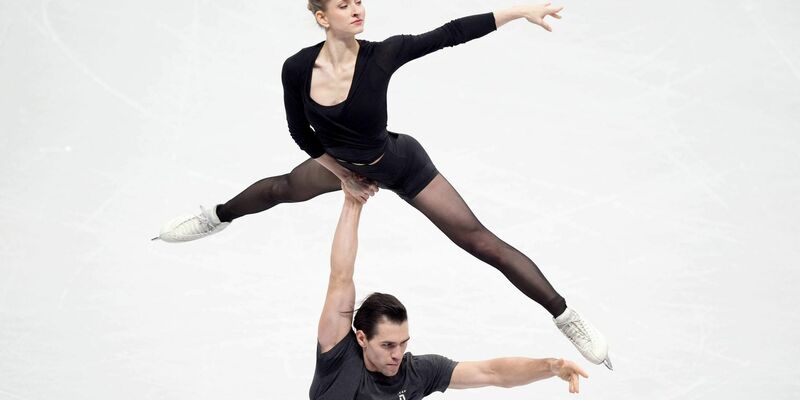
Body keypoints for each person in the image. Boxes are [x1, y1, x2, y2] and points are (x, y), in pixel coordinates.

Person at [154, 1, 612, 369]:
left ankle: (565, 315)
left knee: (478, 240)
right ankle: (215, 216)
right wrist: (343, 177)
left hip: (397, 163)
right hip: (342, 165)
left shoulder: (382, 55)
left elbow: (448, 33)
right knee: (280, 190)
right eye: (343, 4)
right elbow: (300, 133)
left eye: (358, 1)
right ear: (321, 17)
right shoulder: (296, 68)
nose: (357, 9)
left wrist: (515, 12)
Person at [311, 187, 590, 399]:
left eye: (402, 343)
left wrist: (551, 367)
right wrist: (352, 201)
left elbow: (492, 372)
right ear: (361, 338)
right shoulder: (338, 356)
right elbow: (340, 276)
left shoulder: (417, 373)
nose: (398, 354)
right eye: (387, 345)